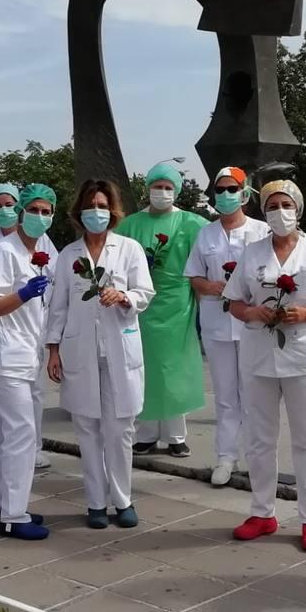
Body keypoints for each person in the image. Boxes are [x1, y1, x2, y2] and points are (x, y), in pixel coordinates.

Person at [223, 180, 306, 553]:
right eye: (272, 206)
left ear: (298, 208)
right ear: (264, 212)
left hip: (303, 356)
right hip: (259, 355)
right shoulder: (252, 252)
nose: (280, 212)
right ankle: (262, 512)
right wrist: (254, 311)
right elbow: (234, 303)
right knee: (260, 439)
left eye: (285, 204)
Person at [46, 179, 154, 528]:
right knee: (87, 427)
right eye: (91, 206)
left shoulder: (129, 249)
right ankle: (95, 501)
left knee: (121, 428)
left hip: (119, 347)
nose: (97, 212)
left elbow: (145, 292)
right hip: (80, 350)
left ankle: (122, 499)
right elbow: (58, 307)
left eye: (103, 206)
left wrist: (123, 296)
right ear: (80, 212)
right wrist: (53, 350)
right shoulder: (68, 256)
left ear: (113, 211)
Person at [0, 183, 58, 540]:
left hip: (25, 352)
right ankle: (14, 514)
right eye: (34, 210)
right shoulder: (3, 251)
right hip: (5, 354)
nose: (40, 217)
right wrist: (24, 293)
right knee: (21, 432)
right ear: (22, 211)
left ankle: (3, 506)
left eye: (46, 211)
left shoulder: (43, 249)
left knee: (5, 433)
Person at [184, 166, 270, 486]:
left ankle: (257, 455)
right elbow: (193, 276)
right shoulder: (205, 233)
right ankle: (225, 456)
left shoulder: (262, 231)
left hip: (251, 322)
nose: (225, 195)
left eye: (231, 189)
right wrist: (210, 287)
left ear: (245, 193)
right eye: (220, 189)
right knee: (224, 393)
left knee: (253, 392)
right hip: (216, 321)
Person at [115, 161, 207, 457]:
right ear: (148, 188)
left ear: (176, 191)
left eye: (168, 188)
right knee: (144, 367)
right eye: (158, 187)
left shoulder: (192, 223)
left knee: (174, 369)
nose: (162, 192)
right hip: (140, 303)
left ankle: (176, 435)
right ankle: (146, 433)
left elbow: (208, 258)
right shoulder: (130, 224)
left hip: (177, 304)